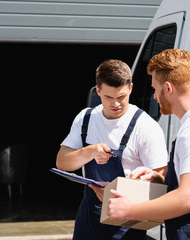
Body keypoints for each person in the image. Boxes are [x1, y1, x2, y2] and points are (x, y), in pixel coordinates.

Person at [106, 49, 190, 240]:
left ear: (168, 88)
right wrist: (159, 178)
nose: (154, 97)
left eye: (155, 89)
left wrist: (130, 210)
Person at [56, 59, 168, 240]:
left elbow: (160, 179)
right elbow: (62, 162)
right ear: (98, 91)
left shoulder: (145, 126)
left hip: (127, 221)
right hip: (89, 216)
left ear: (130, 88)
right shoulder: (85, 118)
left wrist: (118, 191)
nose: (116, 104)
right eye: (109, 97)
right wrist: (89, 151)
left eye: (121, 97)